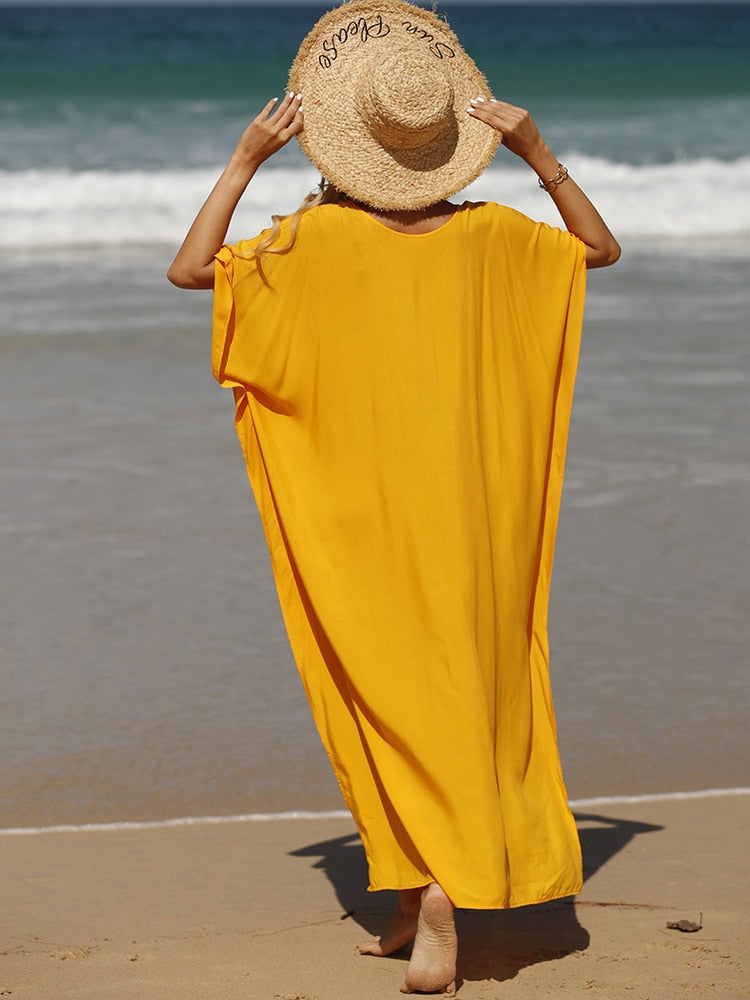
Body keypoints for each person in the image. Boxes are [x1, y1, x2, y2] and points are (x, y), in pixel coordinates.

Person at [168, 0, 620, 993]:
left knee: (372, 694)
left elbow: (191, 269)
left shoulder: (311, 246)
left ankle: (439, 906)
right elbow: (597, 249)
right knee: (460, 689)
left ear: (339, 141)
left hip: (356, 522)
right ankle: (419, 897)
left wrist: (245, 161)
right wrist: (539, 153)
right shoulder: (497, 236)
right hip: (469, 520)